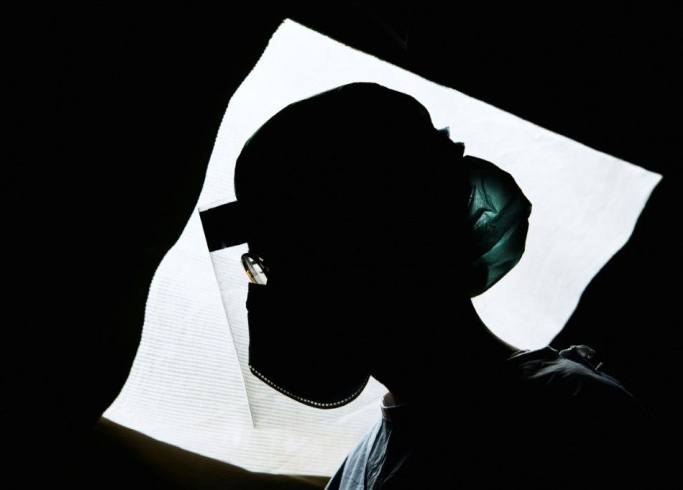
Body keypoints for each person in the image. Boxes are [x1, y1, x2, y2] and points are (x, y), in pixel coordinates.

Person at [200, 82, 666, 488]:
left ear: (369, 248)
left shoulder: (573, 421)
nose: (269, 292)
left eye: (285, 260)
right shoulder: (361, 467)